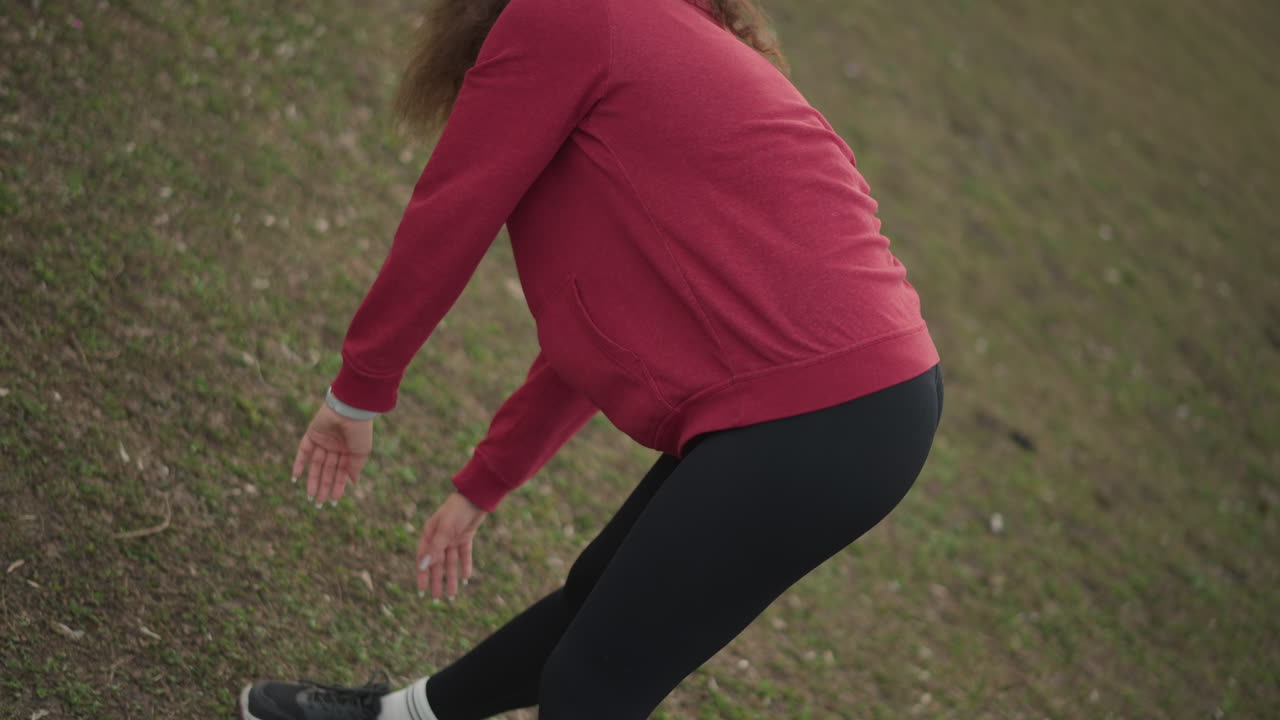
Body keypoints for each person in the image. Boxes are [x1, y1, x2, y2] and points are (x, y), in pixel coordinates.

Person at [238, 0, 943, 717]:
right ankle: (404, 716)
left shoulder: (573, 14)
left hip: (822, 408)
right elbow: (612, 328)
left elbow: (452, 210)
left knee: (594, 682)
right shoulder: (664, 42)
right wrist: (486, 481)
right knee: (601, 605)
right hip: (864, 404)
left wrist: (359, 392)